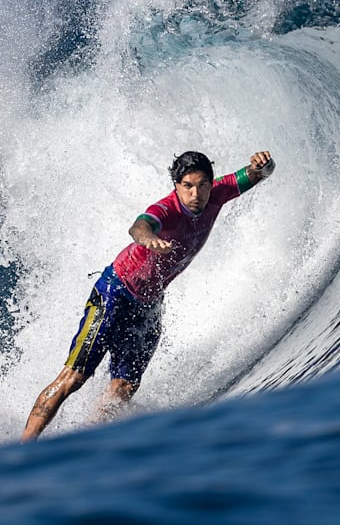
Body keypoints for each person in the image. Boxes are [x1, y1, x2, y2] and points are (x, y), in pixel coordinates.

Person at [21, 149, 275, 441]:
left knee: (124, 388)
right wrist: (149, 239)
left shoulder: (217, 193)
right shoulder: (166, 209)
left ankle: (87, 444)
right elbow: (139, 226)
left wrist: (264, 166)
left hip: (149, 304)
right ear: (176, 186)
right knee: (73, 378)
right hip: (115, 292)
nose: (196, 194)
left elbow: (256, 175)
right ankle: (23, 451)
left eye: (202, 185)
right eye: (187, 186)